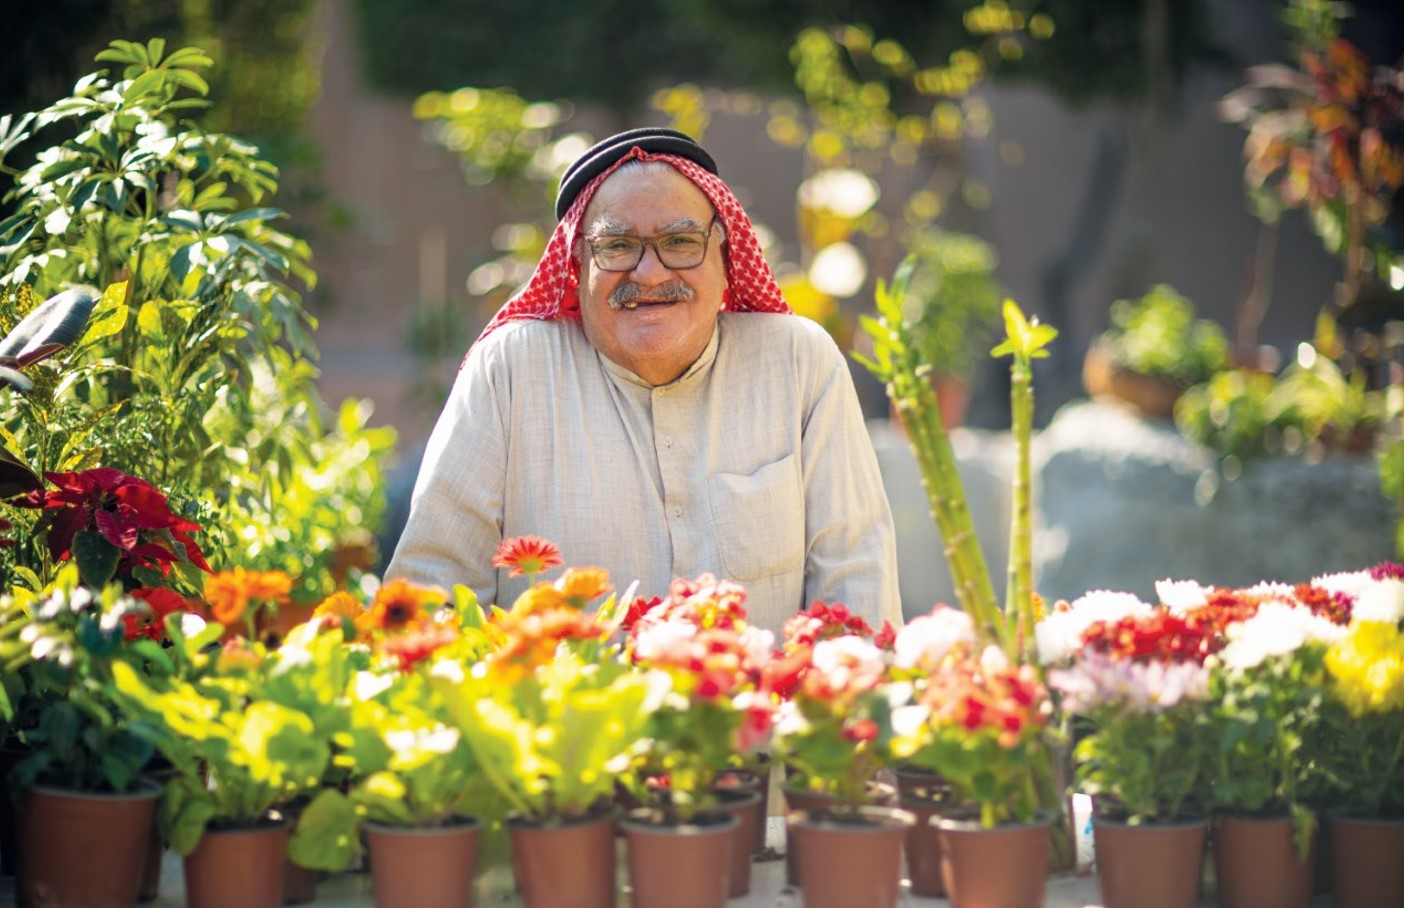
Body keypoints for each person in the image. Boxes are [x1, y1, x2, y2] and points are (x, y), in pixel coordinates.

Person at [386, 127, 900, 635]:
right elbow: (433, 593)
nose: (650, 273)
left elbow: (856, 583)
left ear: (725, 256)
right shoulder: (511, 370)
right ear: (577, 262)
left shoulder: (796, 360)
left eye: (680, 242)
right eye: (618, 245)